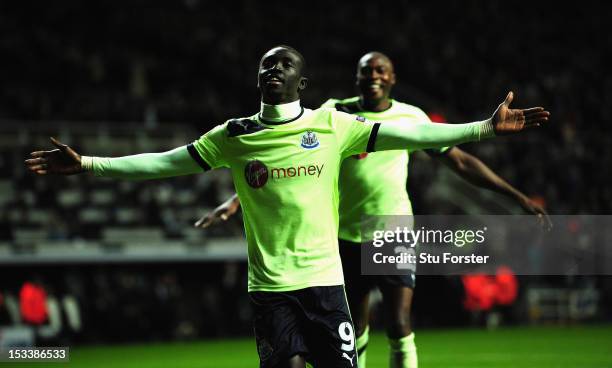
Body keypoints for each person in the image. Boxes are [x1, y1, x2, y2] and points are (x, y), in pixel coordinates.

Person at [26, 46, 549, 368]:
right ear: (258, 80)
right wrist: (90, 163)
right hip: (272, 290)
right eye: (266, 65)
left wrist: (483, 127)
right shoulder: (234, 135)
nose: (274, 69)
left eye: (286, 64)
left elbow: (418, 135)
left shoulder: (333, 126)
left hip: (327, 286)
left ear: (303, 83)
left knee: (388, 329)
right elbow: (163, 163)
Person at [196, 51, 551, 368]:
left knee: (398, 322)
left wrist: (514, 195)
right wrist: (235, 200)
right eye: (367, 71)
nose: (374, 75)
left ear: (393, 79)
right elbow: (284, 162)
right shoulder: (334, 113)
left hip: (392, 231)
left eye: (382, 70)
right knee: (355, 329)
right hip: (344, 236)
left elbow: (459, 161)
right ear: (357, 78)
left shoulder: (410, 115)